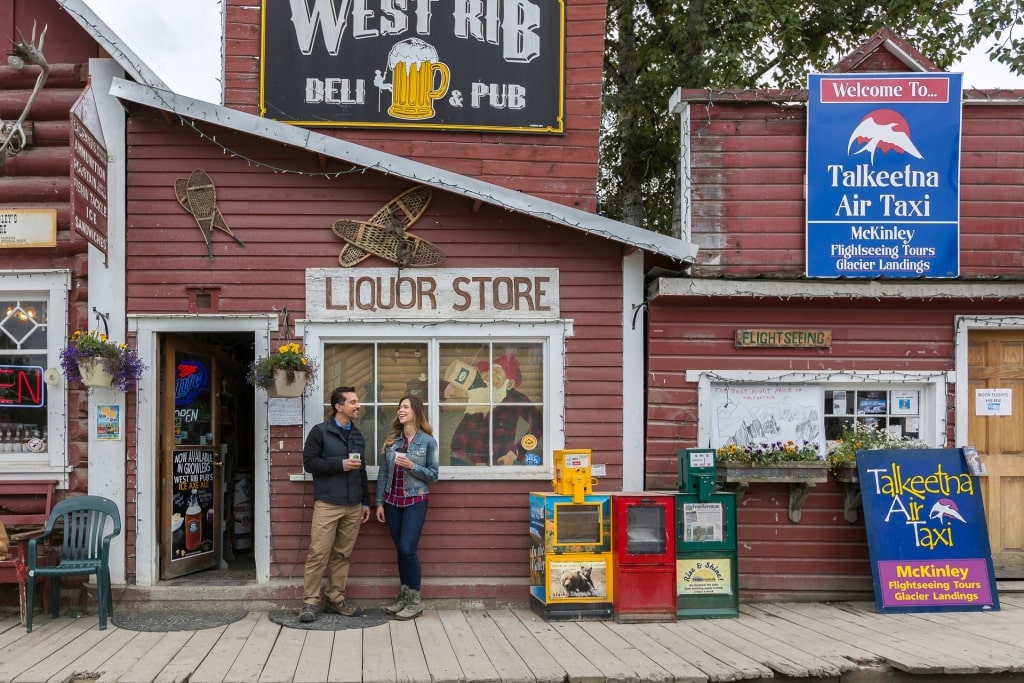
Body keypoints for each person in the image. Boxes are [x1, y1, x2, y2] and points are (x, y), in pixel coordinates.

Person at [298, 386, 371, 623]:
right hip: (328, 503)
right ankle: (309, 602)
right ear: (339, 407)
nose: (357, 405)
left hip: (353, 505)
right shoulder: (319, 432)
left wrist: (365, 503)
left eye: (357, 401)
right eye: (353, 402)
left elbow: (362, 472)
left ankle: (336, 598)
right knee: (318, 553)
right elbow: (309, 464)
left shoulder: (358, 436)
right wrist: (340, 465)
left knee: (342, 555)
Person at [375, 395, 439, 620]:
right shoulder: (392, 441)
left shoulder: (428, 442)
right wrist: (379, 502)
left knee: (407, 549)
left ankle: (415, 601)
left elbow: (434, 475)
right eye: (399, 407)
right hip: (392, 501)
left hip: (415, 500)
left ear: (416, 412)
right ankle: (404, 596)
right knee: (400, 551)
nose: (400, 410)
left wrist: (412, 466)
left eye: (405, 407)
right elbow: (383, 473)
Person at [448, 354, 542, 465]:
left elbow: (539, 424)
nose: (490, 377)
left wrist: (513, 454)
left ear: (510, 384)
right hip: (460, 456)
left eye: (496, 373)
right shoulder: (479, 388)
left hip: (494, 462)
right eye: (490, 372)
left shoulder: (517, 399)